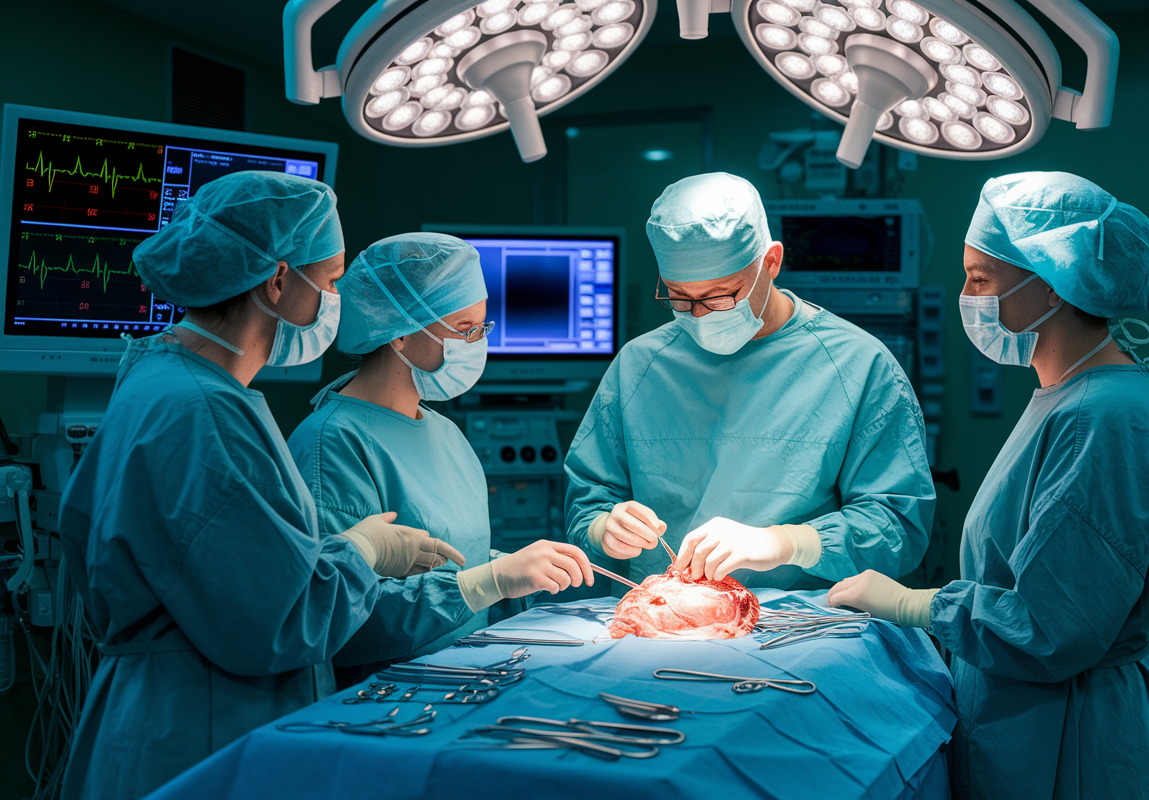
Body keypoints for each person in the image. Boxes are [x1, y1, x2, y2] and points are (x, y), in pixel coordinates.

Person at [57, 172, 465, 800]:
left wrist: (337, 554)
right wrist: (362, 552)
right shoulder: (206, 411)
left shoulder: (161, 380)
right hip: (199, 734)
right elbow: (279, 620)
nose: (336, 303)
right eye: (329, 283)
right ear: (279, 281)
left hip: (171, 717)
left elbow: (237, 572)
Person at [827, 171, 1149, 799]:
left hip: (1074, 741)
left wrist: (916, 604)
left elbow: (1055, 625)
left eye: (981, 280)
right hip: (1038, 714)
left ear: (1051, 281)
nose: (966, 298)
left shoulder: (1100, 418)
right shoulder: (1075, 394)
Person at [564, 172, 935, 589]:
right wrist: (602, 527)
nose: (700, 316)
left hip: (802, 633)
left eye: (721, 295)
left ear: (771, 263)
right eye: (680, 297)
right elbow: (588, 499)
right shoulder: (641, 365)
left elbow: (898, 528)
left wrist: (787, 543)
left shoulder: (857, 366)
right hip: (657, 628)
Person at [288, 232, 595, 676]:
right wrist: (484, 583)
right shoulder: (332, 443)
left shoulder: (445, 432)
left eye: (482, 328)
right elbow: (336, 616)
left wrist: (514, 575)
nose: (478, 344)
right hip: (382, 697)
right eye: (466, 330)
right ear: (400, 334)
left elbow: (459, 561)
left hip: (467, 673)